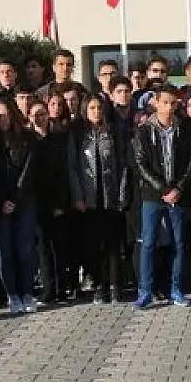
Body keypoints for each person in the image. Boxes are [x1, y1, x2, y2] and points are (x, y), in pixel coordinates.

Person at [132, 86, 191, 309]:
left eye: (173, 103)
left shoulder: (185, 130)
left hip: (178, 195)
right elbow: (140, 164)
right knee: (149, 243)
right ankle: (145, 291)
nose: (169, 107)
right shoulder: (144, 131)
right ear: (156, 104)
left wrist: (178, 188)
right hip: (153, 195)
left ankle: (176, 289)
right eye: (165, 103)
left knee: (179, 242)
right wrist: (163, 189)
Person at [68, 95, 131, 305]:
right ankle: (100, 284)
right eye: (92, 108)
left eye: (99, 108)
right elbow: (73, 168)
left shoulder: (113, 133)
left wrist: (122, 195)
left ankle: (115, 285)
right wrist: (78, 196)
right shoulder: (78, 134)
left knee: (113, 243)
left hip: (111, 196)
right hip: (89, 198)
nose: (96, 112)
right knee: (95, 245)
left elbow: (123, 165)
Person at [0, 99, 40, 313]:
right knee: (5, 251)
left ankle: (27, 292)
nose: (2, 120)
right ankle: (11, 294)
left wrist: (14, 198)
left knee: (25, 249)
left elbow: (29, 171)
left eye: (5, 115)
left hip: (24, 199)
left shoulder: (28, 138)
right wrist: (2, 200)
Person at [27, 99, 73, 305]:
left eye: (42, 114)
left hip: (58, 200)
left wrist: (61, 202)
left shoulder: (58, 139)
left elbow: (65, 172)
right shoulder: (28, 141)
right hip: (36, 201)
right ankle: (48, 289)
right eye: (35, 115)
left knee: (60, 247)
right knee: (43, 248)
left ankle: (61, 288)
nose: (39, 118)